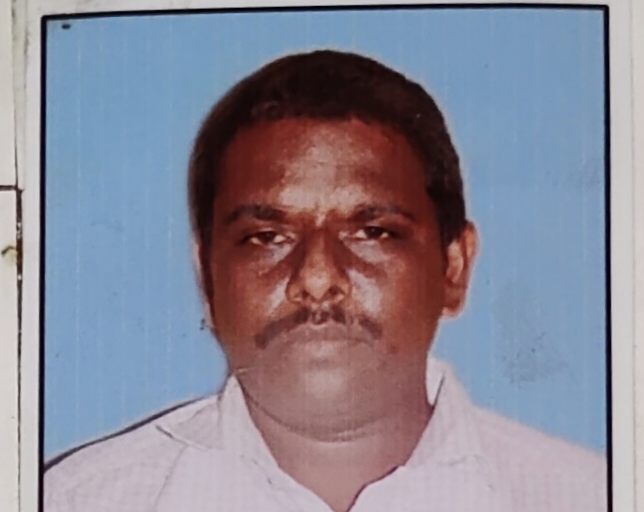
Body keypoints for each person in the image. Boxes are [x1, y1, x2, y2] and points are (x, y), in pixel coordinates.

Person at [44, 50, 607, 512]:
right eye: (266, 237)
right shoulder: (74, 501)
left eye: (373, 232)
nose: (316, 279)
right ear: (208, 279)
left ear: (453, 267)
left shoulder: (591, 496)